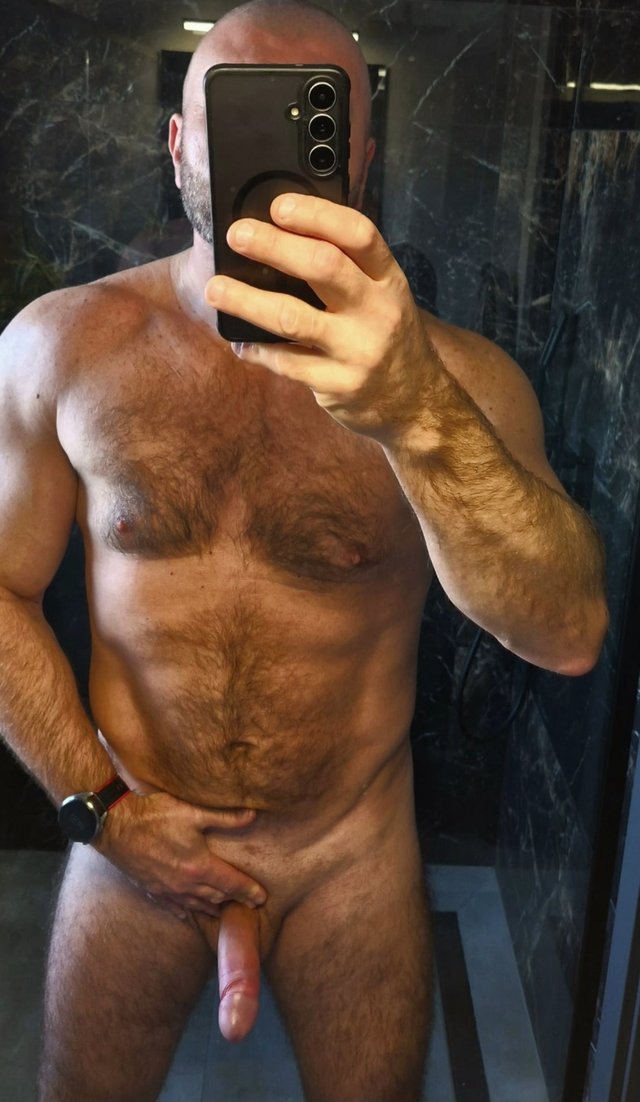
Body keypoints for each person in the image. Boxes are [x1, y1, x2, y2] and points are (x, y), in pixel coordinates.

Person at [0, 2, 608, 1100]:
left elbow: (567, 630)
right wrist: (101, 811)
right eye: (230, 116)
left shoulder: (459, 382)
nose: (264, 155)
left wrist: (413, 410)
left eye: (310, 122)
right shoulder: (62, 346)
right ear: (178, 144)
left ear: (359, 160)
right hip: (138, 829)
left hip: (346, 853)